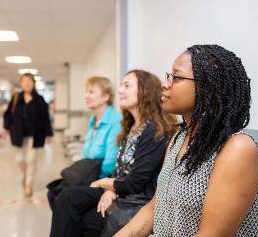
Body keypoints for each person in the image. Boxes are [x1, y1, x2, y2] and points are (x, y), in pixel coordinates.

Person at [115, 45, 258, 237]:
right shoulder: (178, 140)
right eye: (168, 75)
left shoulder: (237, 148)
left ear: (209, 88)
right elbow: (154, 208)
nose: (165, 84)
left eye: (177, 77)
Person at [50, 70, 177, 237]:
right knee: (67, 196)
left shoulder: (153, 130)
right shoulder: (133, 126)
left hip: (135, 201)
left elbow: (136, 182)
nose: (119, 91)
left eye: (127, 86)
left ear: (145, 91)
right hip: (122, 192)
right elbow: (120, 170)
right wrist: (111, 190)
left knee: (79, 215)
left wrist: (104, 184)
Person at [47, 76, 122, 209]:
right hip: (89, 173)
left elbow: (110, 164)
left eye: (91, 92)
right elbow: (87, 154)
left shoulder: (115, 121)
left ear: (106, 96)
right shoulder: (94, 119)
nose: (86, 96)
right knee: (53, 191)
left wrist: (87, 181)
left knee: (63, 197)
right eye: (86, 92)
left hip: (102, 180)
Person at [2, 73, 53, 197]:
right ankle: (25, 175)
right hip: (19, 134)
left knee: (31, 160)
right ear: (21, 83)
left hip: (34, 135)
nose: (26, 83)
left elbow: (46, 118)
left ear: (33, 83)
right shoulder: (16, 98)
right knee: (19, 159)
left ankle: (28, 184)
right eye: (24, 81)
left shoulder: (40, 99)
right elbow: (8, 114)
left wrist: (48, 134)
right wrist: (6, 127)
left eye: (29, 81)